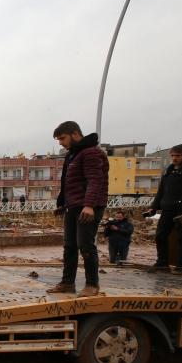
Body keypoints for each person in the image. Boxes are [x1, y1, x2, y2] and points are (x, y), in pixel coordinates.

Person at [47, 121, 109, 297]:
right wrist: (63, 204)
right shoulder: (73, 154)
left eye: (62, 138)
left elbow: (95, 180)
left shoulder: (91, 153)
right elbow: (70, 183)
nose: (60, 143)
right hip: (74, 206)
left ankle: (92, 284)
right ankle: (67, 283)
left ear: (75, 134)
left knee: (86, 245)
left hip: (89, 207)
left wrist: (89, 206)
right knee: (70, 246)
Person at [145, 144, 182, 274]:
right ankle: (162, 263)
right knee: (160, 236)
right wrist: (153, 208)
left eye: (178, 156)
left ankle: (181, 266)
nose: (174, 158)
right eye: (172, 155)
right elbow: (161, 191)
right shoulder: (168, 170)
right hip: (167, 209)